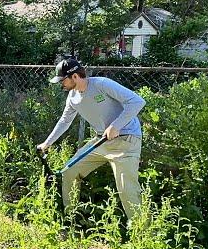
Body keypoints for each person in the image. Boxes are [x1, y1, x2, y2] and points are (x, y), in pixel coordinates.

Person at [36, 57, 146, 222]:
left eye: (63, 80)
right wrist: (47, 143)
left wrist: (116, 126)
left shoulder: (101, 84)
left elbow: (137, 102)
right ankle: (70, 219)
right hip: (101, 141)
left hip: (126, 141)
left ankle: (144, 233)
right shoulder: (73, 97)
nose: (61, 84)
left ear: (74, 76)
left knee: (127, 190)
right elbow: (64, 121)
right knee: (69, 171)